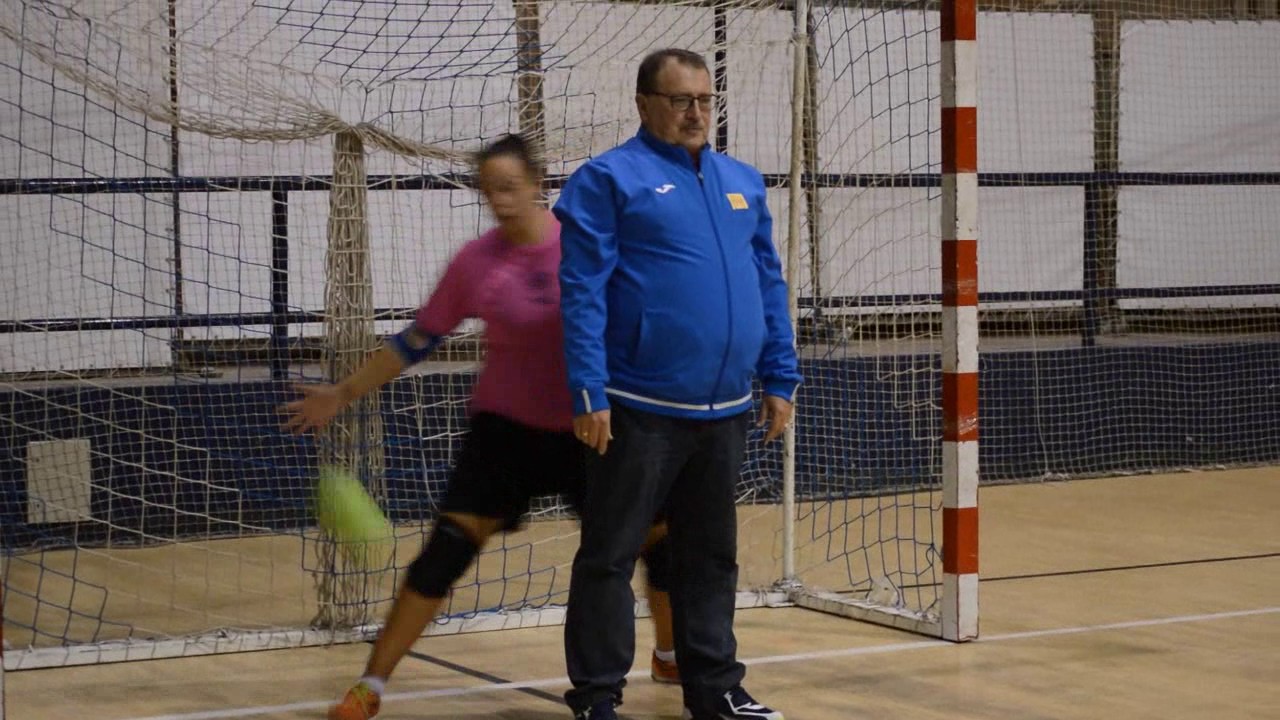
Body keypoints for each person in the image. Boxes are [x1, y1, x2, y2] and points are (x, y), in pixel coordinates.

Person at [280, 134, 680, 720]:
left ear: (539, 184)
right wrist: (342, 394)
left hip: (588, 425)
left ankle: (669, 655)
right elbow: (416, 340)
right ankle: (370, 686)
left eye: (510, 187)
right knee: (443, 553)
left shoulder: (588, 245)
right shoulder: (476, 261)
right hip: (504, 433)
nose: (500, 200)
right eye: (489, 189)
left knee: (657, 542)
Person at [555, 49, 802, 720]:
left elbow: (768, 282)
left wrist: (781, 374)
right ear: (644, 104)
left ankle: (714, 689)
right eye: (680, 100)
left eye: (704, 100)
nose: (696, 113)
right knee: (610, 556)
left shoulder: (742, 182)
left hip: (726, 410)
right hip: (637, 408)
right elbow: (582, 291)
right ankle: (597, 696)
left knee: (710, 557)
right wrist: (588, 391)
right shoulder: (608, 179)